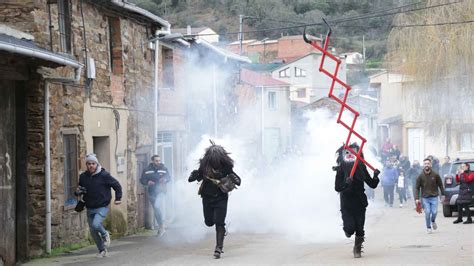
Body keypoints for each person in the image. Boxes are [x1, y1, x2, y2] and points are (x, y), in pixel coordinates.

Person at [188, 141, 241, 259]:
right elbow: (195, 177)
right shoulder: (204, 166)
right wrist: (194, 176)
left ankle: (218, 248)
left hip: (221, 197)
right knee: (209, 222)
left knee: (219, 222)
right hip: (206, 197)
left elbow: (238, 180)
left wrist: (234, 179)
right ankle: (218, 233)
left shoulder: (226, 166)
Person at [333, 143, 380, 258]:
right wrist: (346, 184)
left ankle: (357, 248)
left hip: (359, 202)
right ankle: (348, 231)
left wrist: (375, 176)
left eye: (353, 152)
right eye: (347, 152)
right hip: (347, 203)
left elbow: (372, 184)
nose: (350, 155)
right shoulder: (341, 169)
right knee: (349, 228)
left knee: (360, 228)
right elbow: (337, 187)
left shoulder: (361, 168)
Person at [76, 154, 122, 258]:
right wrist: (78, 191)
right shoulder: (83, 176)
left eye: (93, 163)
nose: (91, 166)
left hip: (102, 206)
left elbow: (117, 185)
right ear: (86, 165)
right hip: (89, 206)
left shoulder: (104, 175)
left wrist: (118, 198)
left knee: (96, 225)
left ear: (97, 164)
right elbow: (80, 189)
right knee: (93, 231)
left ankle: (106, 234)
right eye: (88, 164)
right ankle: (102, 250)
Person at [140, 155, 170, 237]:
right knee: (156, 208)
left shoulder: (164, 168)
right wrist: (147, 182)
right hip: (152, 192)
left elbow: (168, 177)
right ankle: (161, 226)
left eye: (159, 160)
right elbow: (142, 180)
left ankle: (161, 226)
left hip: (162, 191)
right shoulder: (146, 170)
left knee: (157, 207)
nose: (158, 162)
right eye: (156, 160)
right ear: (152, 161)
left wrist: (165, 179)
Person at [415, 158, 445, 233]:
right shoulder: (420, 176)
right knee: (427, 212)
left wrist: (443, 195)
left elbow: (441, 185)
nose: (426, 165)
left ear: (430, 165)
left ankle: (433, 221)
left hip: (434, 197)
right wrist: (416, 198)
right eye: (425, 164)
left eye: (428, 163)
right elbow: (417, 188)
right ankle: (428, 227)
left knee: (434, 212)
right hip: (425, 198)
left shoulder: (435, 175)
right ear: (423, 165)